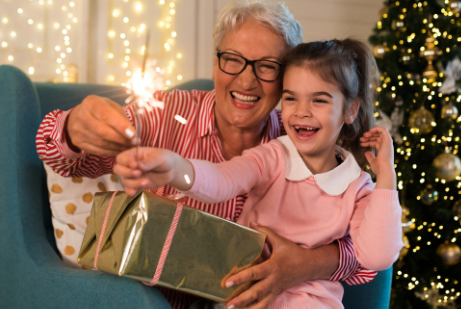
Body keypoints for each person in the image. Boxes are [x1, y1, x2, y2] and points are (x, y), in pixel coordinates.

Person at [36, 1, 377, 308]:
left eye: (267, 66)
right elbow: (58, 155)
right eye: (232, 60)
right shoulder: (161, 115)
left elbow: (369, 254)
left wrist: (305, 264)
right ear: (216, 60)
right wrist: (75, 128)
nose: (246, 80)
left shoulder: (304, 137)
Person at [114, 39, 403, 309]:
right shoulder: (273, 155)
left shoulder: (357, 187)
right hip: (243, 297)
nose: (301, 112)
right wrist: (177, 168)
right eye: (291, 99)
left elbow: (377, 256)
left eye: (319, 100)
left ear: (350, 110)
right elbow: (224, 180)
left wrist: (386, 178)